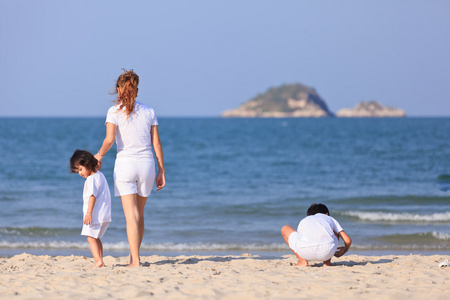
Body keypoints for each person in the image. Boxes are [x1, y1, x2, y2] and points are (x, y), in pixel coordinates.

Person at [94, 69, 166, 267]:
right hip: (147, 165)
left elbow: (109, 140)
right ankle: (135, 255)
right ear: (137, 90)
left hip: (125, 165)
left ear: (118, 90)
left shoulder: (113, 112)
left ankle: (135, 261)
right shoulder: (149, 111)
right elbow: (156, 144)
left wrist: (99, 156)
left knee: (130, 215)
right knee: (139, 214)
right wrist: (162, 170)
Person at [70, 149, 112, 268]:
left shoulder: (91, 180)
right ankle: (100, 261)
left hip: (95, 214)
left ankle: (98, 261)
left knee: (90, 237)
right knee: (96, 237)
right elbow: (96, 167)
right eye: (77, 171)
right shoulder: (99, 174)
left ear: (88, 164)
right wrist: (96, 164)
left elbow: (92, 196)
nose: (80, 173)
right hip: (104, 214)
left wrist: (88, 213)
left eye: (80, 169)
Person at [281, 203, 352, 267]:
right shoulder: (330, 218)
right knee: (335, 231)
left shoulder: (305, 219)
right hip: (327, 252)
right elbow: (348, 240)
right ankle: (327, 263)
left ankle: (302, 261)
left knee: (285, 228)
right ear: (326, 214)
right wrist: (344, 250)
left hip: (305, 252)